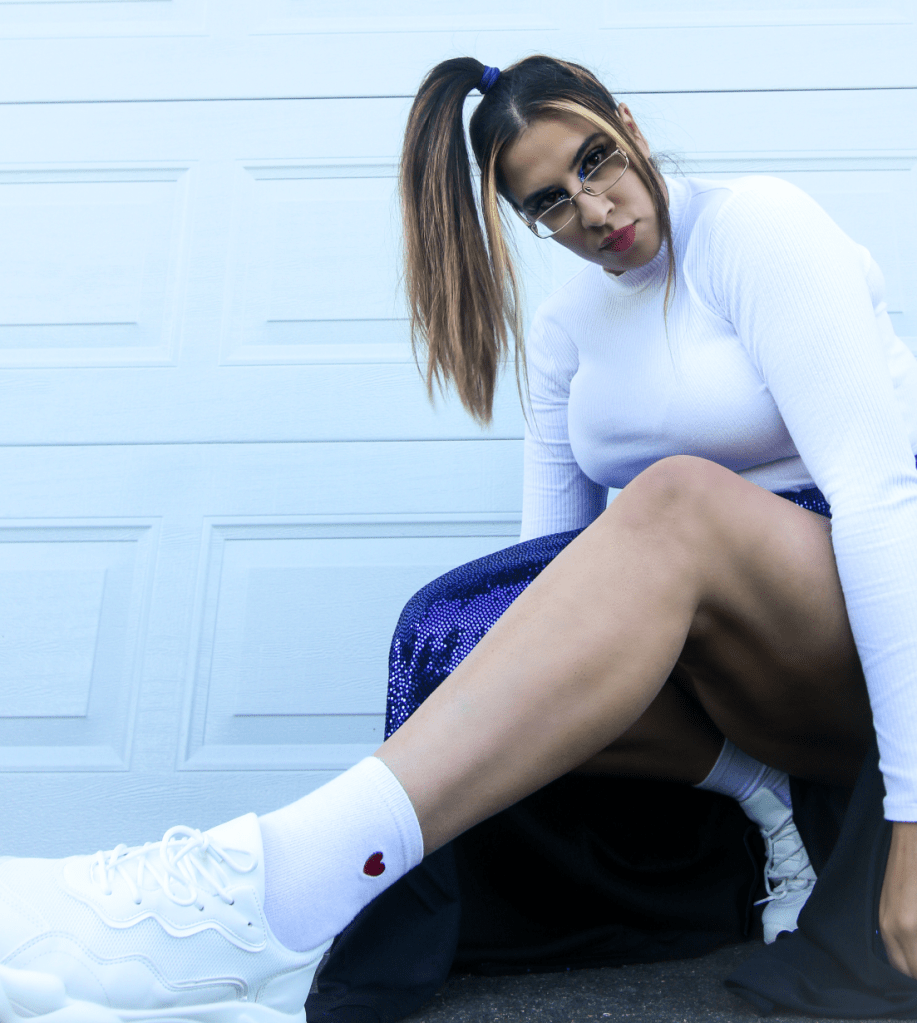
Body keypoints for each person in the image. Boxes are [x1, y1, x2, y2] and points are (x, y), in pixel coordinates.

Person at [1, 53, 917, 1022]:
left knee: (673, 499)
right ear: (525, 219)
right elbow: (542, 593)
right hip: (747, 678)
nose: (593, 209)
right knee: (460, 627)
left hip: (868, 606)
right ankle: (762, 798)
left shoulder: (753, 228)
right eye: (549, 202)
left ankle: (275, 887)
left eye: (596, 161)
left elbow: (879, 497)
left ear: (630, 125)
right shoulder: (566, 330)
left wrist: (910, 819)